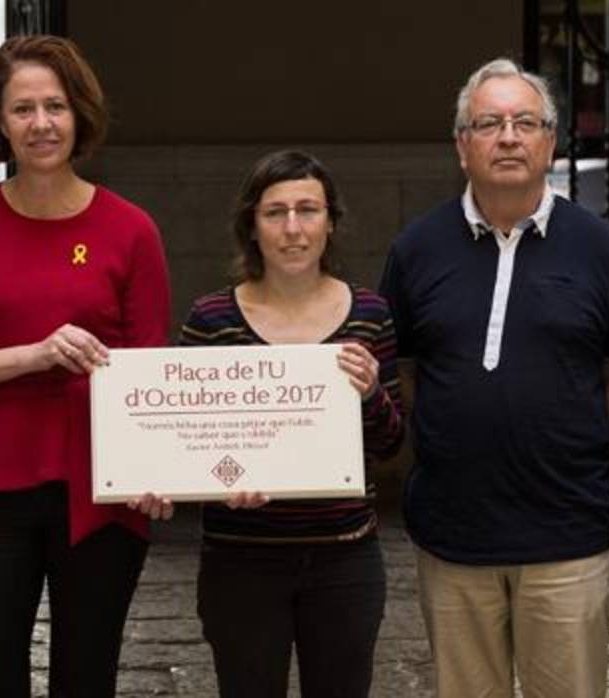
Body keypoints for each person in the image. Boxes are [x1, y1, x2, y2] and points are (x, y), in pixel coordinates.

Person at [0, 35, 171, 697]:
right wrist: (34, 355)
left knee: (87, 677)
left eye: (55, 106)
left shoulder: (131, 229)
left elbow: (149, 371)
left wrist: (155, 466)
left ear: (79, 114)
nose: (41, 123)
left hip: (102, 489)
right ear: (0, 121)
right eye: (22, 108)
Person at [378, 58, 609, 698]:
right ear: (462, 145)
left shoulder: (600, 248)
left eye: (526, 121)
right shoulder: (416, 249)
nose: (509, 136)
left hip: (569, 542)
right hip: (453, 542)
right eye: (489, 123)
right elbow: (406, 373)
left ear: (550, 141)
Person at [175, 150, 404, 697]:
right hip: (240, 560)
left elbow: (392, 442)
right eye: (275, 212)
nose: (293, 228)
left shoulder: (369, 314)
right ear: (251, 226)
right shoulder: (212, 320)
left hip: (345, 558)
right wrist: (224, 481)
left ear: (331, 222)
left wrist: (371, 391)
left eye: (308, 209)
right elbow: (192, 447)